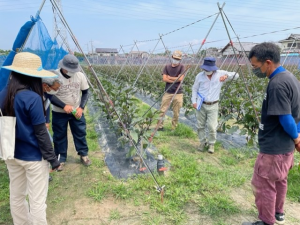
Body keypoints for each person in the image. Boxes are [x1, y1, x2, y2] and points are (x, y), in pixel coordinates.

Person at [242, 42, 300, 225]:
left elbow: (286, 118)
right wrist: (296, 138)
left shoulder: (277, 84)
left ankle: (267, 221)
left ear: (267, 62)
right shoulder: (290, 78)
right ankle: (278, 212)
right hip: (285, 147)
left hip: (274, 147)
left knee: (263, 184)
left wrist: (297, 138)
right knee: (280, 179)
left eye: (255, 66)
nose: (254, 70)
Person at [0, 52, 60, 224]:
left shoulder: (3, 94)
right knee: (37, 202)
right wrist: (53, 160)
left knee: (17, 196)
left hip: (11, 154)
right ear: (33, 76)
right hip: (34, 157)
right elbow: (41, 133)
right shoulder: (32, 98)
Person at [50, 54, 91, 171]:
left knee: (80, 132)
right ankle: (60, 158)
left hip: (76, 111)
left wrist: (81, 108)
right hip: (59, 112)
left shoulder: (80, 76)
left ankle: (83, 154)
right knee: (59, 135)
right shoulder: (54, 76)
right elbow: (49, 95)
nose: (72, 72)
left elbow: (86, 92)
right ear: (63, 67)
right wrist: (63, 106)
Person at [191, 57, 239, 153]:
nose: (207, 71)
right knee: (200, 125)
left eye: (209, 69)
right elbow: (194, 89)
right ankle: (202, 142)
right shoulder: (199, 76)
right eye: (205, 69)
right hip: (201, 104)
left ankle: (211, 144)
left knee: (212, 126)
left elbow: (236, 75)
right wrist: (194, 101)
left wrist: (226, 77)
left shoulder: (220, 73)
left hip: (213, 105)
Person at [158, 50, 185, 131]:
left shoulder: (182, 67)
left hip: (178, 92)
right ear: (172, 57)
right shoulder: (167, 67)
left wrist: (169, 77)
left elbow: (180, 78)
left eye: (177, 59)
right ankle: (160, 126)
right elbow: (164, 79)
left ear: (180, 59)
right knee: (162, 110)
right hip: (168, 91)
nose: (176, 60)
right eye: (174, 58)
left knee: (176, 112)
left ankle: (173, 127)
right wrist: (175, 79)